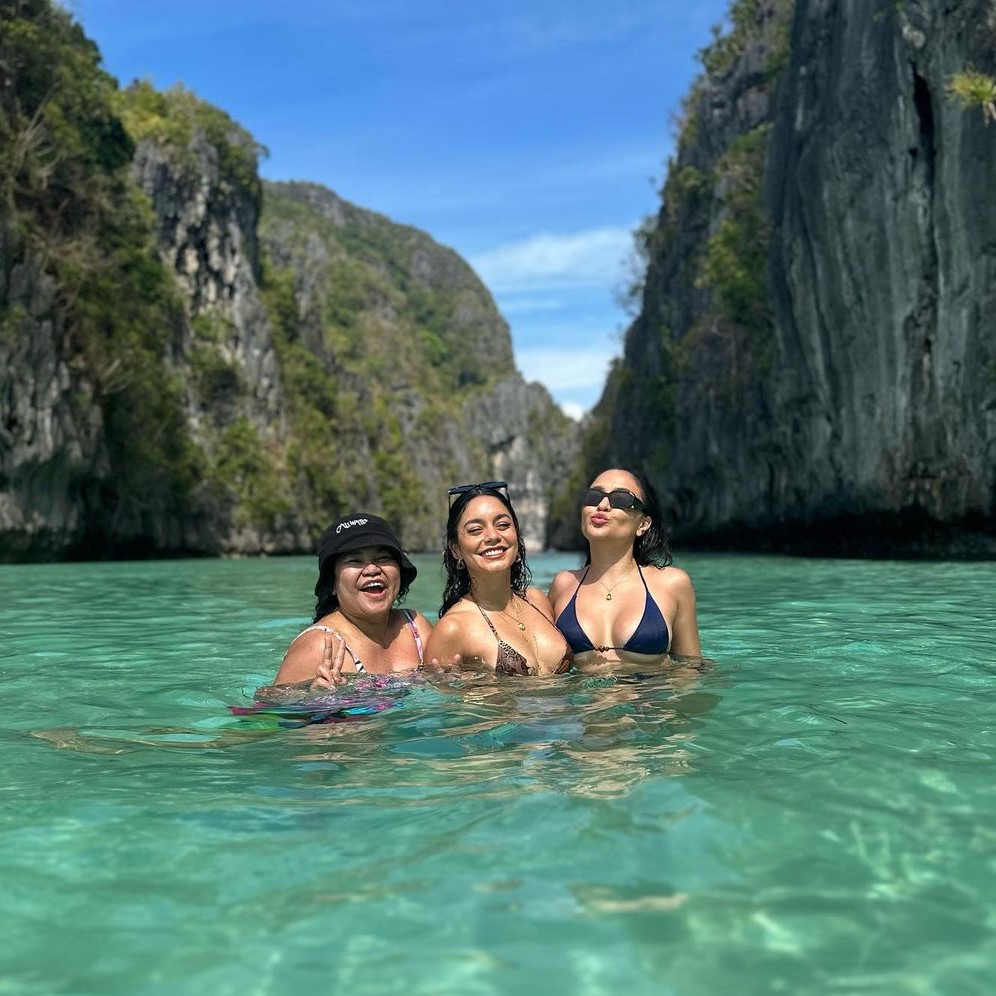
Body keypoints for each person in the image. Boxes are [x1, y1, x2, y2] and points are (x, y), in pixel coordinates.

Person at [549, 469, 701, 668]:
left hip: (649, 696)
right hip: (582, 698)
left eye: (620, 499)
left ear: (643, 525)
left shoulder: (672, 584)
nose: (602, 505)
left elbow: (691, 669)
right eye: (594, 497)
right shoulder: (563, 584)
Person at [424, 481, 573, 676]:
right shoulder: (453, 628)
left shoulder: (536, 600)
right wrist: (462, 694)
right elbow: (433, 701)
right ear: (456, 549)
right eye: (475, 530)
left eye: (503, 525)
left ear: (516, 537)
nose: (493, 536)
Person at [272, 513, 432, 688]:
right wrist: (314, 701)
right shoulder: (320, 646)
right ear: (332, 583)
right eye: (355, 560)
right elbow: (265, 709)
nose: (372, 569)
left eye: (383, 558)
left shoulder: (415, 626)